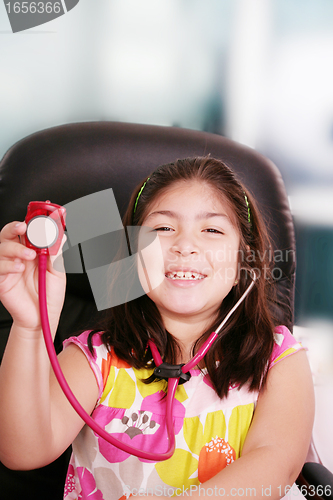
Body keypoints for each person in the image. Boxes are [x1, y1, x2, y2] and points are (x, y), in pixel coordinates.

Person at [0, 157, 314, 500]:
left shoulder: (279, 359)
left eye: (212, 230)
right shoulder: (94, 357)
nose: (184, 245)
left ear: (244, 259)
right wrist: (30, 326)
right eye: (163, 228)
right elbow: (22, 452)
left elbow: (274, 465)